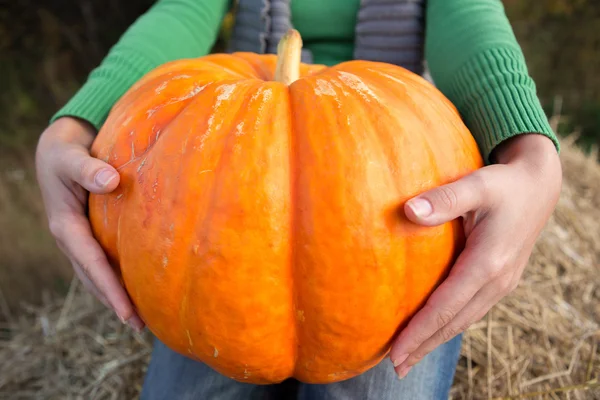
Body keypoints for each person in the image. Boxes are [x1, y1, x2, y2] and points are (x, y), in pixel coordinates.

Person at [35, 0, 562, 398]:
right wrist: (77, 124)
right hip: (227, 178)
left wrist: (530, 152)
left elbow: (470, 23)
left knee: (381, 378)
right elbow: (183, 10)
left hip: (391, 181)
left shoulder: (407, 123)